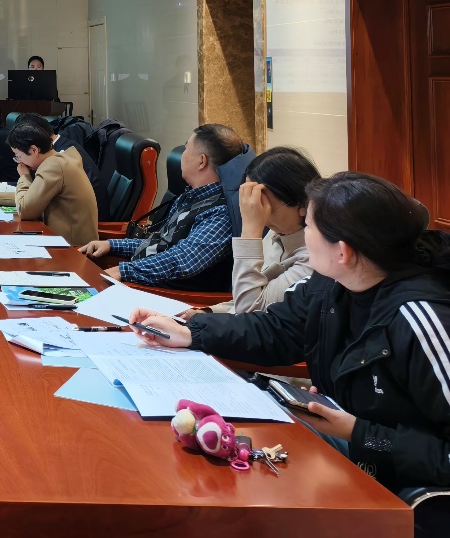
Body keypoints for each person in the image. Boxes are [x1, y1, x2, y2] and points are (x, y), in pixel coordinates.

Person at [130, 172, 450, 496]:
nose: (304, 235)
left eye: (308, 226)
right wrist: (190, 332)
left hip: (403, 489)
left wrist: (359, 433)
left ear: (342, 252)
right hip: (355, 452)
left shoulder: (422, 320)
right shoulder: (330, 284)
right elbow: (275, 329)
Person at [79, 123, 245, 290]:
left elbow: (182, 260)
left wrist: (122, 271)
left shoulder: (220, 212)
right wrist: (112, 245)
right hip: (141, 280)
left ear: (201, 161)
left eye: (186, 149)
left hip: (165, 294)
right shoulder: (191, 196)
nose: (182, 155)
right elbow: (159, 243)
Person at [192, 146, 318, 315]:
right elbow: (248, 293)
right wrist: (209, 312)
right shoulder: (279, 231)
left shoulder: (314, 259)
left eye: (265, 204)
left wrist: (250, 231)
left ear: (302, 204)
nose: (258, 212)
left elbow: (251, 313)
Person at [0, 114, 98, 246]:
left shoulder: (53, 167)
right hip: (62, 239)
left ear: (34, 150)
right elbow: (33, 196)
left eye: (18, 156)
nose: (19, 162)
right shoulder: (59, 159)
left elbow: (25, 210)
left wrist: (24, 176)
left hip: (72, 247)